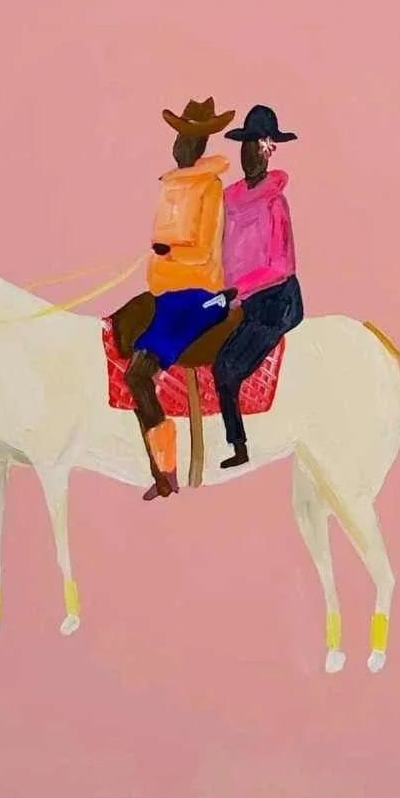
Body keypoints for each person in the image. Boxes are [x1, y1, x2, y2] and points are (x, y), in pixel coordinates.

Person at [116, 97, 237, 499]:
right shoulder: (172, 186)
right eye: (179, 136)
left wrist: (169, 252)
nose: (179, 144)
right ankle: (156, 461)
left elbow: (204, 248)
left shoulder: (210, 188)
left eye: (186, 137)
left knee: (138, 373)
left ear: (197, 144)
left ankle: (165, 469)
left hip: (195, 292)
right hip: (166, 291)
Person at [212, 105, 305, 468]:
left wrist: (238, 290)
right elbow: (224, 250)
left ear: (268, 150)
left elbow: (280, 265)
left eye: (256, 145)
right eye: (245, 145)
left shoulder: (274, 202)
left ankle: (238, 445)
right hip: (240, 299)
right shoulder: (229, 199)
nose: (249, 153)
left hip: (275, 302)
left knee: (226, 367)